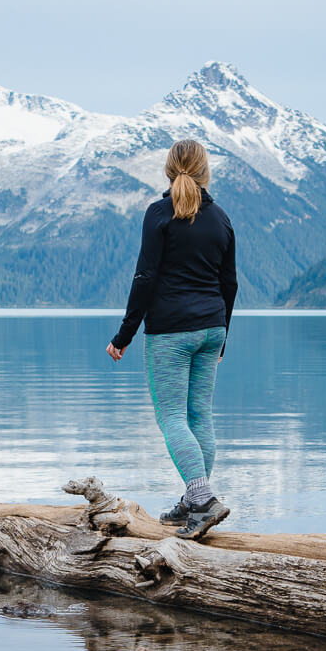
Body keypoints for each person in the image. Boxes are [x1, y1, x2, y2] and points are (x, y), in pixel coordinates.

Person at [106, 139, 237, 538]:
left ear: (169, 169)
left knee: (173, 418)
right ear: (204, 170)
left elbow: (145, 278)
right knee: (200, 417)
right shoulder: (222, 219)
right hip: (212, 329)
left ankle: (202, 500)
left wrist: (123, 335)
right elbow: (229, 284)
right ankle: (192, 503)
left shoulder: (159, 214)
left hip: (171, 333)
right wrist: (223, 337)